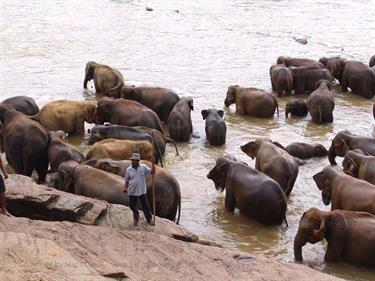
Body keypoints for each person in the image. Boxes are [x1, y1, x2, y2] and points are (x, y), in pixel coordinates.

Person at [123, 152, 155, 226]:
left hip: (142, 190)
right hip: (132, 190)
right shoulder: (129, 169)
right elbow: (126, 180)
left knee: (145, 205)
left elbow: (152, 172)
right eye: (132, 160)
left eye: (135, 160)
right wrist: (125, 187)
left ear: (138, 161)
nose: (133, 161)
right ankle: (136, 217)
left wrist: (153, 164)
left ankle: (149, 219)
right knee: (132, 206)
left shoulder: (143, 167)